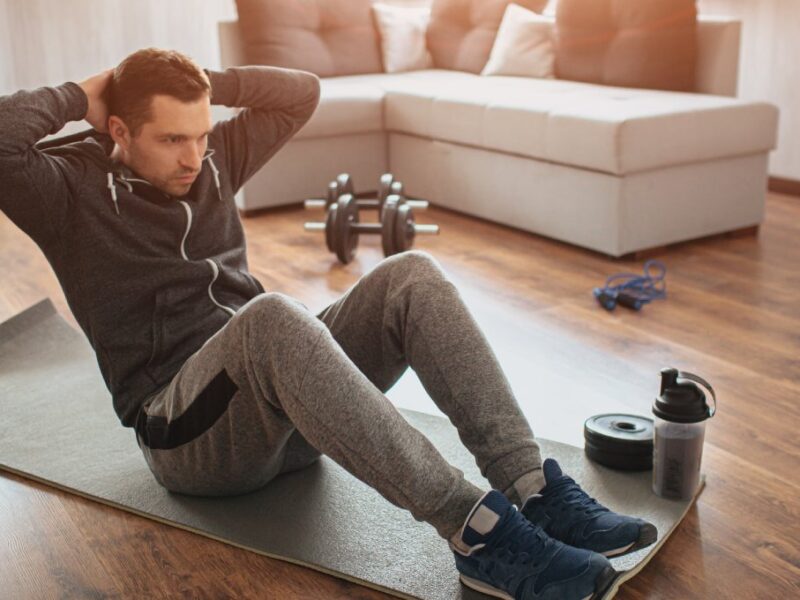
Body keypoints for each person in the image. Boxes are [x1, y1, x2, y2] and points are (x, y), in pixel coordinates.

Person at [0, 48, 656, 599]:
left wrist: (204, 86)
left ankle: (534, 489)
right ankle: (477, 535)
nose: (193, 157)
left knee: (412, 275)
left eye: (201, 134)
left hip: (282, 412)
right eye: (172, 138)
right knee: (273, 318)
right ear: (116, 130)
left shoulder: (212, 157)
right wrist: (79, 93)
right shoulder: (66, 192)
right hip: (188, 439)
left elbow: (300, 94)